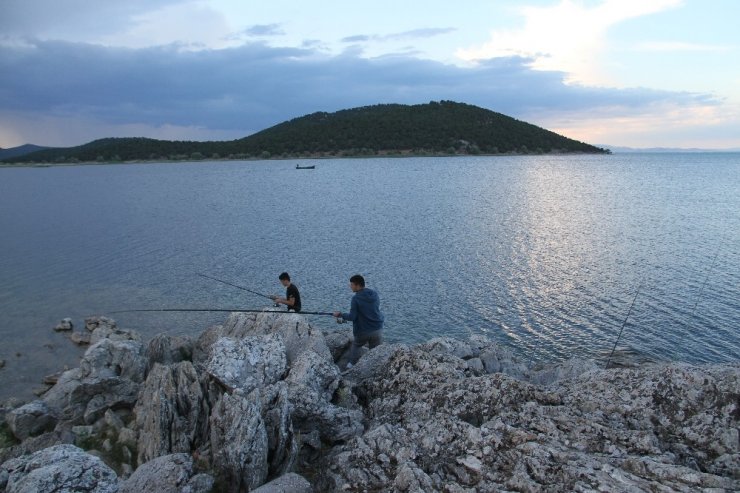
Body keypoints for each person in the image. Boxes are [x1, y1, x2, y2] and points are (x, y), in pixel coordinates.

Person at [333, 274, 384, 368]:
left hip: (363, 331)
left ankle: (351, 365)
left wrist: (340, 315)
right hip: (378, 329)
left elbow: (352, 317)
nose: (350, 286)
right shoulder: (374, 294)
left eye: (351, 284)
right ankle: (375, 368)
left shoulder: (355, 298)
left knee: (356, 345)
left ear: (357, 285)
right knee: (375, 353)